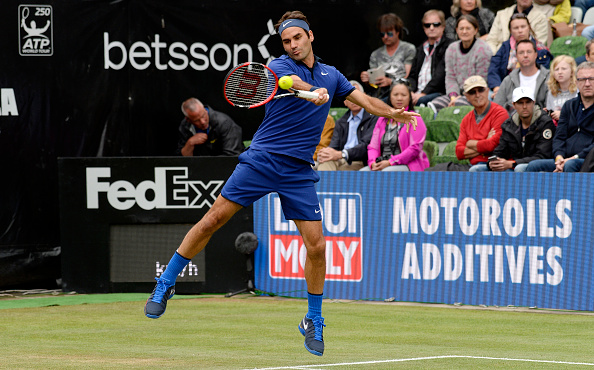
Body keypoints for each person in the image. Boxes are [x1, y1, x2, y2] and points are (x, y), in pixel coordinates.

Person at [143, 10, 419, 357]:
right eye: (286, 41)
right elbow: (297, 85)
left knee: (317, 246)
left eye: (297, 38)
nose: (292, 45)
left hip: (298, 171)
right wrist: (312, 91)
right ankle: (165, 283)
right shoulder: (277, 67)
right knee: (213, 219)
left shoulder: (332, 75)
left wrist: (392, 113)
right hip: (262, 159)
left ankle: (313, 319)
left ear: (310, 36)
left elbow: (361, 100)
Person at [426, 76, 508, 171]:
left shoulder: (500, 113)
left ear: (487, 91)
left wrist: (470, 143)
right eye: (472, 92)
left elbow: (492, 145)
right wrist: (485, 141)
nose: (477, 95)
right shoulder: (466, 119)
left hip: (492, 166)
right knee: (434, 171)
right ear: (467, 97)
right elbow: (459, 152)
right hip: (471, 166)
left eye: (480, 90)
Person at [526, 61, 594, 172]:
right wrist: (559, 158)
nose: (587, 84)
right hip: (564, 159)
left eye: (591, 79)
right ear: (576, 82)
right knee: (533, 166)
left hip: (587, 160)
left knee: (570, 165)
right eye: (582, 79)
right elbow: (559, 137)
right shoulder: (569, 106)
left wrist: (573, 158)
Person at [469, 86, 555, 172]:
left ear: (534, 103)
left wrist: (513, 163)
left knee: (519, 168)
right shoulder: (508, 125)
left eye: (528, 102)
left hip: (538, 168)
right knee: (475, 169)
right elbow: (500, 151)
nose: (524, 106)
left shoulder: (545, 122)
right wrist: (493, 162)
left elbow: (543, 156)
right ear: (514, 105)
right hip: (514, 165)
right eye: (520, 103)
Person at [427, 15, 493, 112]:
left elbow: (481, 80)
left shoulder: (483, 49)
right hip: (456, 94)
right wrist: (453, 96)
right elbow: (450, 77)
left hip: (476, 92)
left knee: (459, 105)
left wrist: (463, 97)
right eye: (461, 28)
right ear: (457, 30)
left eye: (468, 28)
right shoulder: (451, 49)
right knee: (434, 105)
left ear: (475, 30)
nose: (464, 31)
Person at [362, 80, 430, 171]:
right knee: (363, 172)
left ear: (409, 97)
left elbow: (415, 148)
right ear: (390, 97)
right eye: (395, 94)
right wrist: (372, 163)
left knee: (386, 172)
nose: (399, 98)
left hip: (408, 164)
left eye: (403, 95)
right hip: (383, 163)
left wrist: (391, 162)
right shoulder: (382, 119)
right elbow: (373, 147)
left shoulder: (414, 118)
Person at [488, 13, 553, 97]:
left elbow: (542, 76)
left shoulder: (540, 50)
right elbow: (493, 68)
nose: (520, 31)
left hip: (532, 90)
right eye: (516, 28)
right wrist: (497, 88)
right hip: (504, 86)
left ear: (529, 27)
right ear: (510, 31)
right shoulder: (505, 47)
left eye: (523, 27)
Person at [317, 81, 378, 171]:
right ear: (345, 102)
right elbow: (334, 145)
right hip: (340, 157)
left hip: (360, 160)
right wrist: (326, 153)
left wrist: (342, 154)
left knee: (343, 170)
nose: (354, 100)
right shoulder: (341, 121)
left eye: (356, 95)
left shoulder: (373, 118)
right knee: (325, 162)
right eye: (349, 97)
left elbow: (366, 145)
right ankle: (323, 185)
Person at [360, 13, 416, 102]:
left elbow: (408, 76)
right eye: (382, 34)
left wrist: (390, 81)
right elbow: (373, 83)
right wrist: (367, 79)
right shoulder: (375, 54)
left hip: (401, 93)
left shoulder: (408, 49)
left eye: (389, 33)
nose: (385, 37)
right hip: (380, 94)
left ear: (398, 32)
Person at [409, 10, 454, 106]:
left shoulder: (449, 46)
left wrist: (423, 93)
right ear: (423, 28)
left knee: (420, 101)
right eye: (427, 25)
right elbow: (412, 76)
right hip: (418, 93)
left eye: (436, 24)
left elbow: (440, 75)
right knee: (389, 100)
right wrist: (411, 92)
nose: (432, 28)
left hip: (439, 92)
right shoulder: (420, 48)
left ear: (443, 26)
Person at [494, 39, 550, 112]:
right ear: (516, 56)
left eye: (529, 52)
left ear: (536, 54)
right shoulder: (508, 80)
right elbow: (496, 108)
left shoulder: (549, 78)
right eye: (521, 52)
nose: (525, 55)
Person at [177, 98, 244, 156]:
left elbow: (232, 156)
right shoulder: (185, 126)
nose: (202, 122)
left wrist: (207, 165)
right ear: (188, 120)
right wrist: (190, 143)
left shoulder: (224, 122)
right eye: (197, 120)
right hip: (198, 168)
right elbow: (181, 160)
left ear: (205, 109)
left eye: (203, 115)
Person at [545, 55, 578, 124]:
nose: (560, 72)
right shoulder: (551, 92)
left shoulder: (578, 91)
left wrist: (563, 115)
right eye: (557, 69)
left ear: (572, 72)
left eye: (563, 69)